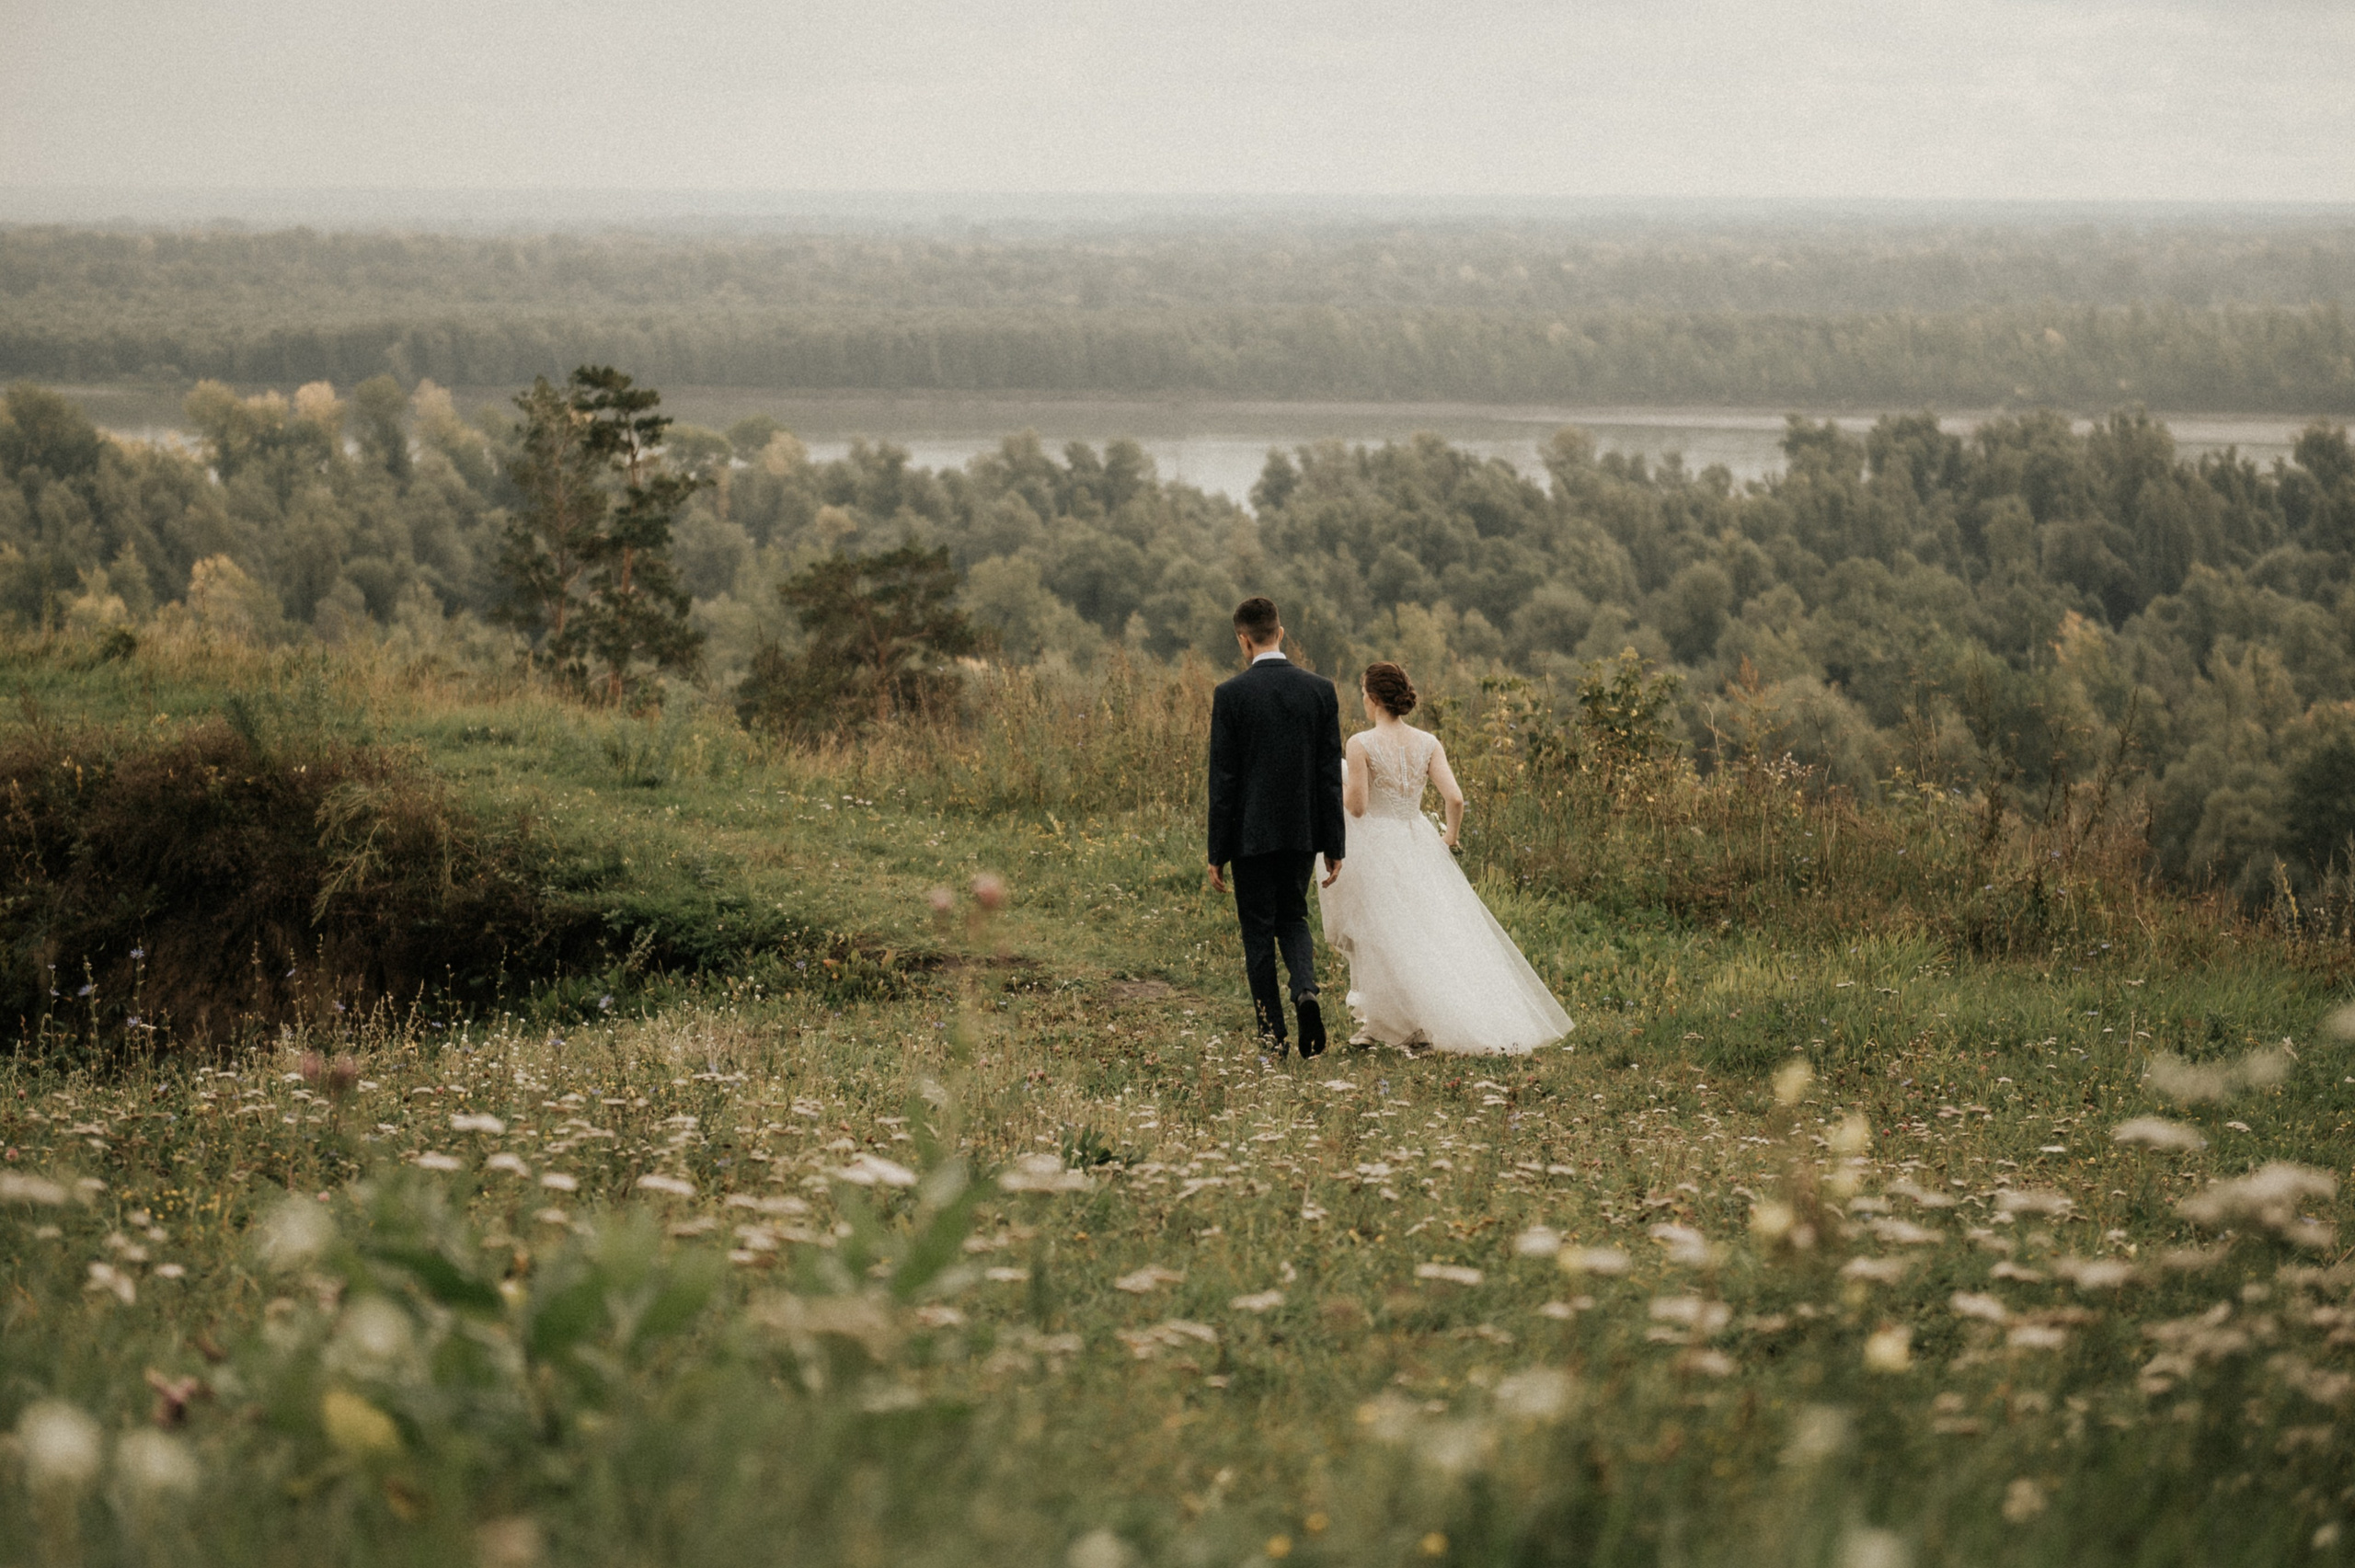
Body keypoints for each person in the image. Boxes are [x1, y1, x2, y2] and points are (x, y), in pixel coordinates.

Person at [1316, 660, 1572, 1056]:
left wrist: (1340, 778)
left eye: (1364, 693)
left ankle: (1386, 1023)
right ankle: (1401, 1020)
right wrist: (1449, 838)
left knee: (1381, 935)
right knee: (1423, 932)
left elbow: (1358, 807)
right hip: (1418, 841)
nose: (1362, 699)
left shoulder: (1360, 743)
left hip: (1378, 846)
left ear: (1374, 698)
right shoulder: (1428, 742)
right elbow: (1455, 798)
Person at [1205, 596, 1346, 1057]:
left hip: (1250, 837)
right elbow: (1329, 774)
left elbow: (1224, 780)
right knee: (1293, 916)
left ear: (1243, 640)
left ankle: (1273, 1036)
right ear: (1280, 633)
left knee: (1257, 933)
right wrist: (1334, 843)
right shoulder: (1320, 690)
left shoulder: (1230, 695)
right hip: (1302, 832)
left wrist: (1216, 850)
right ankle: (1305, 989)